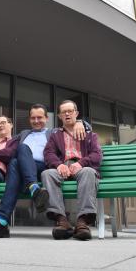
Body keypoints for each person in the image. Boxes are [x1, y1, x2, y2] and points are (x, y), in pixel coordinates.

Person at [0, 103, 89, 238]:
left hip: (45, 169)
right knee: (17, 158)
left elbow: (74, 127)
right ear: (29, 119)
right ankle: (32, 191)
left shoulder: (54, 132)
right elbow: (4, 136)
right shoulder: (24, 134)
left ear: (47, 118)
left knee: (20, 151)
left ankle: (1, 221)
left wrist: (81, 123)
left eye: (40, 118)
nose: (36, 121)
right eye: (33, 118)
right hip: (24, 171)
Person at [42, 100, 102, 241]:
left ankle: (82, 222)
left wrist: (81, 163)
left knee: (88, 172)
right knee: (47, 173)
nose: (67, 114)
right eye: (64, 112)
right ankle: (62, 221)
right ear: (59, 116)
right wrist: (58, 165)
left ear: (76, 114)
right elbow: (48, 153)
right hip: (63, 169)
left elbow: (97, 155)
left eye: (70, 111)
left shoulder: (90, 135)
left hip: (82, 167)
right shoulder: (55, 135)